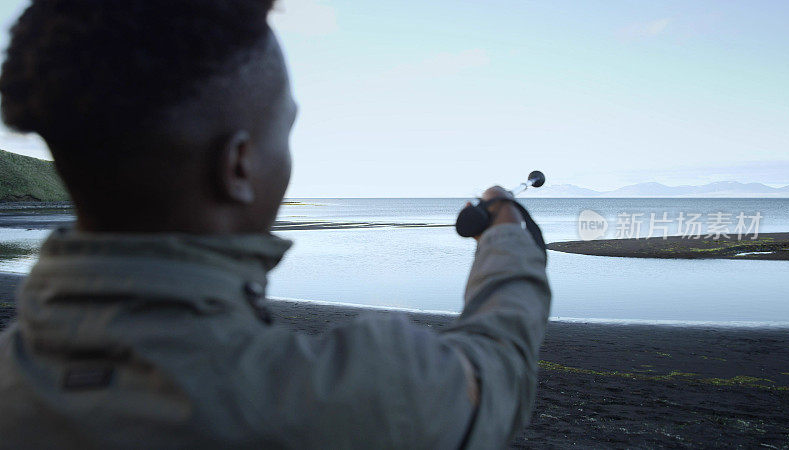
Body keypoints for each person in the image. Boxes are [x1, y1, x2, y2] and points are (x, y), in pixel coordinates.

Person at [0, 0, 551, 448]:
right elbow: (500, 363)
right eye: (283, 132)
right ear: (238, 166)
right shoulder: (347, 400)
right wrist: (504, 232)